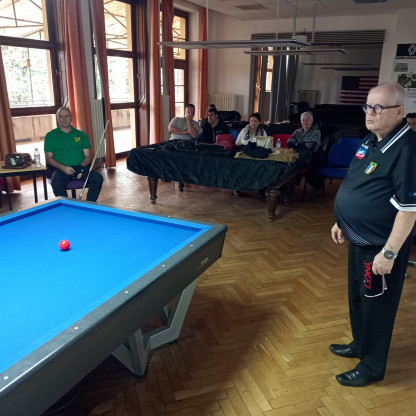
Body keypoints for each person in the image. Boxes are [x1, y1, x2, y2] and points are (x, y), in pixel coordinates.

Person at [330, 82, 416, 387]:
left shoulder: (408, 150)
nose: (370, 113)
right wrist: (342, 220)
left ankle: (371, 367)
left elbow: (409, 210)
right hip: (358, 238)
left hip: (380, 247)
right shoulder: (371, 139)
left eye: (378, 107)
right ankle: (360, 344)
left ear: (399, 111)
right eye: (367, 106)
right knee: (357, 298)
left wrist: (389, 253)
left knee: (377, 306)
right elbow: (355, 182)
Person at [44, 107, 103, 202]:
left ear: (71, 117)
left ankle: (89, 205)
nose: (64, 119)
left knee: (98, 178)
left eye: (67, 116)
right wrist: (63, 168)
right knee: (56, 183)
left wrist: (81, 167)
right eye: (61, 116)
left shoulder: (82, 135)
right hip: (61, 169)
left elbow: (88, 156)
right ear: (57, 118)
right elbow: (49, 158)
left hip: (80, 168)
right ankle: (67, 206)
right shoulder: (50, 136)